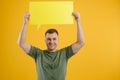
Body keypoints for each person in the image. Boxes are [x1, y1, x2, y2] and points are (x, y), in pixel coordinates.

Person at [17, 12, 85, 80]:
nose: (51, 42)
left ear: (58, 40)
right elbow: (21, 43)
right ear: (45, 40)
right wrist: (25, 23)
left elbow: (81, 42)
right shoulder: (38, 53)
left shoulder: (64, 53)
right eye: (49, 39)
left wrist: (78, 21)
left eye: (54, 39)